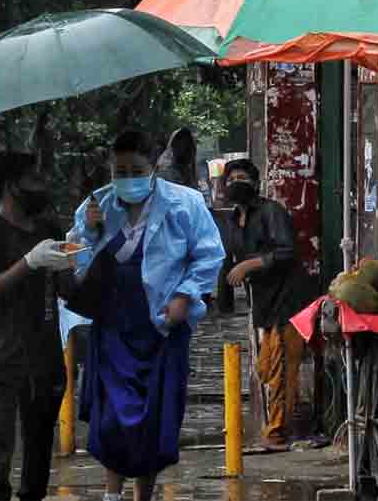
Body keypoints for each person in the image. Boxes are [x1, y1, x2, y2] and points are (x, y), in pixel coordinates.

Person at [66, 130, 225, 501]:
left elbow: (209, 255)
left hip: (163, 326)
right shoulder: (97, 206)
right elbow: (75, 265)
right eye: (119, 170)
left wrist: (186, 296)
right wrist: (89, 232)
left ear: (153, 166)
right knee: (112, 415)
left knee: (155, 415)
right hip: (112, 325)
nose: (126, 177)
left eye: (135, 169)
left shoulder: (184, 204)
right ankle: (111, 493)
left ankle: (144, 495)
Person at [0, 152, 73, 501]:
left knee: (40, 440)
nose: (40, 184)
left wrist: (78, 255)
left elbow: (68, 289)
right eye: (31, 177)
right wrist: (28, 262)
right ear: (9, 186)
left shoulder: (48, 227)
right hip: (3, 353)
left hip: (44, 352)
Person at [221, 158, 306, 452]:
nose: (236, 182)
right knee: (266, 367)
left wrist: (249, 265)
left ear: (255, 183)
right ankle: (274, 429)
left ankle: (278, 433)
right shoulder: (232, 220)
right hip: (262, 302)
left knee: (282, 367)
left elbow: (286, 253)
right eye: (231, 178)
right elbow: (226, 261)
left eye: (242, 177)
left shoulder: (272, 212)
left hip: (287, 299)